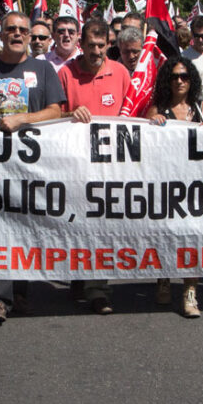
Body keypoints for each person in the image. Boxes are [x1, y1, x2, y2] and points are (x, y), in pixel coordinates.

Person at [0, 12, 65, 325]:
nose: (19, 34)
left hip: (33, 165)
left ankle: (20, 291)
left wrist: (23, 119)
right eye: (12, 29)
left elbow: (55, 110)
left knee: (26, 227)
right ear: (1, 35)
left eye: (24, 30)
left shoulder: (43, 68)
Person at [59, 18, 131, 314]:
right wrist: (70, 114)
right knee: (75, 223)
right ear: (81, 44)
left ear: (108, 45)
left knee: (102, 225)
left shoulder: (121, 73)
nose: (97, 51)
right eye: (91, 46)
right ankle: (79, 271)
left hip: (110, 166)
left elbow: (133, 111)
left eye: (102, 46)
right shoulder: (66, 73)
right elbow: (53, 115)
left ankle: (97, 288)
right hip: (74, 163)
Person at [147, 57, 203, 317]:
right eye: (174, 76)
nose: (179, 81)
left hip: (197, 185)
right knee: (165, 235)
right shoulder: (156, 110)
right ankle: (163, 277)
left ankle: (190, 291)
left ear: (192, 79)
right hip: (165, 185)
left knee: (193, 239)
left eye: (185, 76)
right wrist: (152, 126)